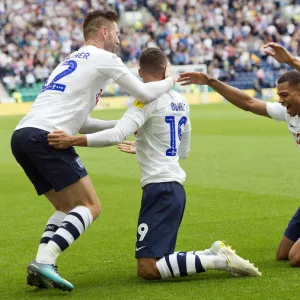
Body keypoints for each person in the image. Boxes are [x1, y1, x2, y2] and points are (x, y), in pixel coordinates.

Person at [47, 47, 261, 280]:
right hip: (174, 187)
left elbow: (116, 135)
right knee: (156, 262)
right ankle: (214, 254)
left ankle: (219, 260)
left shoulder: (145, 100)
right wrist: (145, 146)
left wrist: (72, 140)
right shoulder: (181, 101)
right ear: (165, 69)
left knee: (148, 268)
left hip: (160, 189)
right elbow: (184, 151)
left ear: (139, 72)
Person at [10, 9, 175, 292]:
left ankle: (42, 263)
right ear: (104, 33)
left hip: (23, 135)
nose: (119, 40)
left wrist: (121, 124)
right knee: (90, 206)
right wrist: (173, 79)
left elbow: (81, 122)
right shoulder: (105, 58)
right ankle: (45, 261)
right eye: (117, 33)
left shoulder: (68, 60)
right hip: (48, 137)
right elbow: (145, 93)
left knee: (66, 207)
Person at [177, 43, 300, 267]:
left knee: (295, 258)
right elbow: (249, 103)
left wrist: (291, 60)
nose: (281, 100)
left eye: (285, 95)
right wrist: (211, 82)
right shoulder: (288, 113)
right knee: (283, 254)